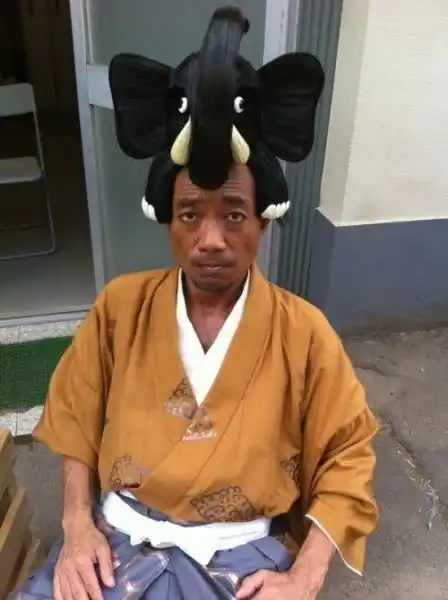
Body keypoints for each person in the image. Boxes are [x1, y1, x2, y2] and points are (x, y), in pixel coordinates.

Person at [11, 7, 378, 600]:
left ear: (263, 221)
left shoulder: (304, 333)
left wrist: (303, 577)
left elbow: (348, 456)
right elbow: (76, 420)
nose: (210, 239)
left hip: (241, 562)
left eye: (233, 214)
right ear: (167, 221)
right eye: (189, 215)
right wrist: (77, 526)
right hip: (113, 546)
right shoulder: (120, 308)